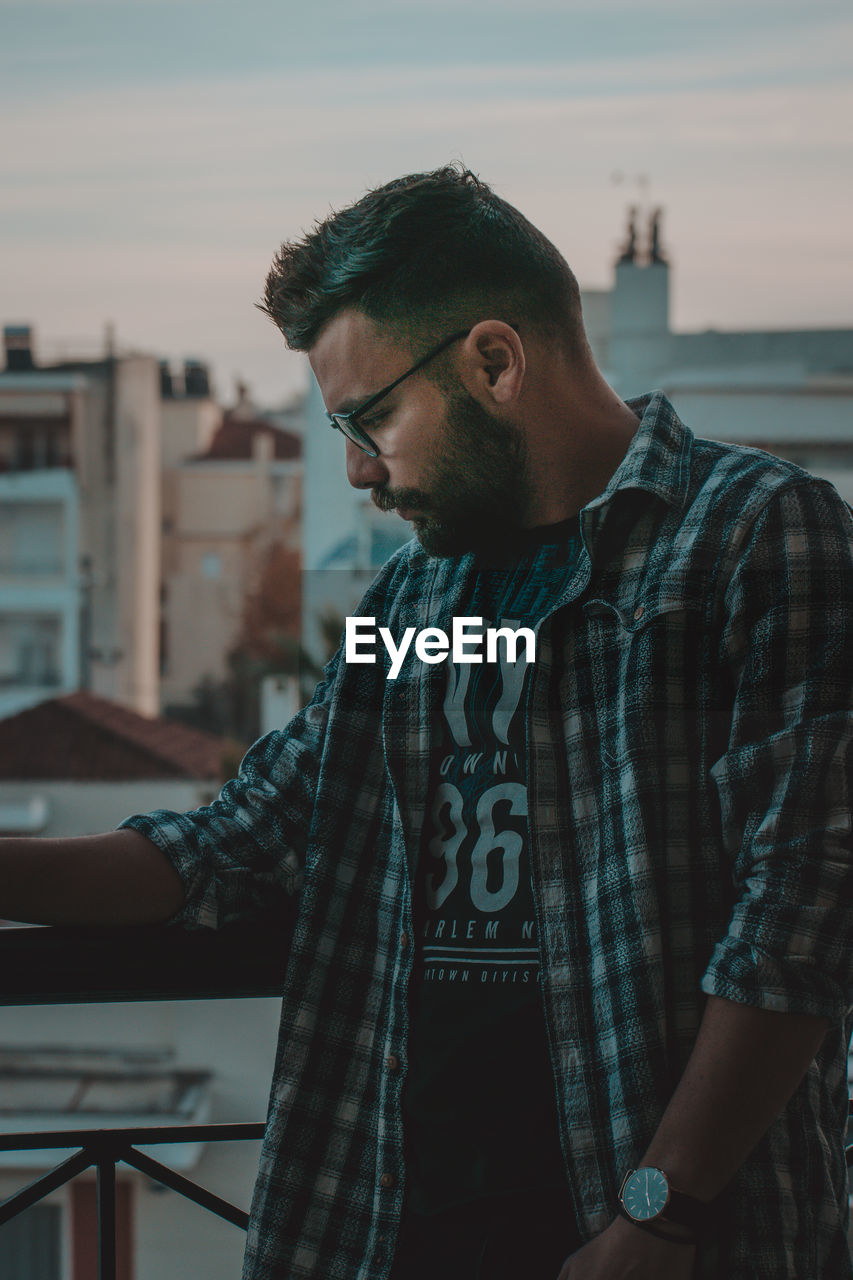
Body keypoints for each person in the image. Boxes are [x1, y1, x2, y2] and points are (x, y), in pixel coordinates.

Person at [1, 164, 851, 1280]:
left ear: (494, 362)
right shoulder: (411, 606)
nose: (356, 468)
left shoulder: (755, 539)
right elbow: (238, 844)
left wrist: (660, 1213)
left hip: (666, 1243)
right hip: (387, 1229)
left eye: (371, 417)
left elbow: (799, 912)